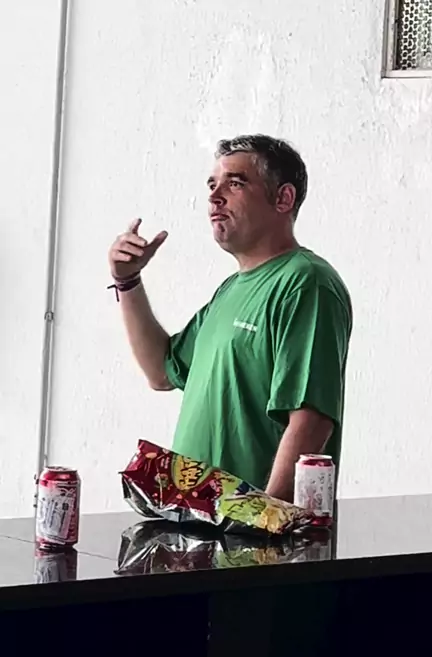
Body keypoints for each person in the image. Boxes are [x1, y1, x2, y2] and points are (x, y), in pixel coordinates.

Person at [108, 134, 352, 502]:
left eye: (235, 183)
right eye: (212, 185)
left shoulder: (306, 283)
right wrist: (127, 281)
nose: (214, 196)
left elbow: (311, 421)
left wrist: (263, 520)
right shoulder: (230, 290)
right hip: (200, 522)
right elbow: (161, 372)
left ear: (283, 198)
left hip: (253, 530)